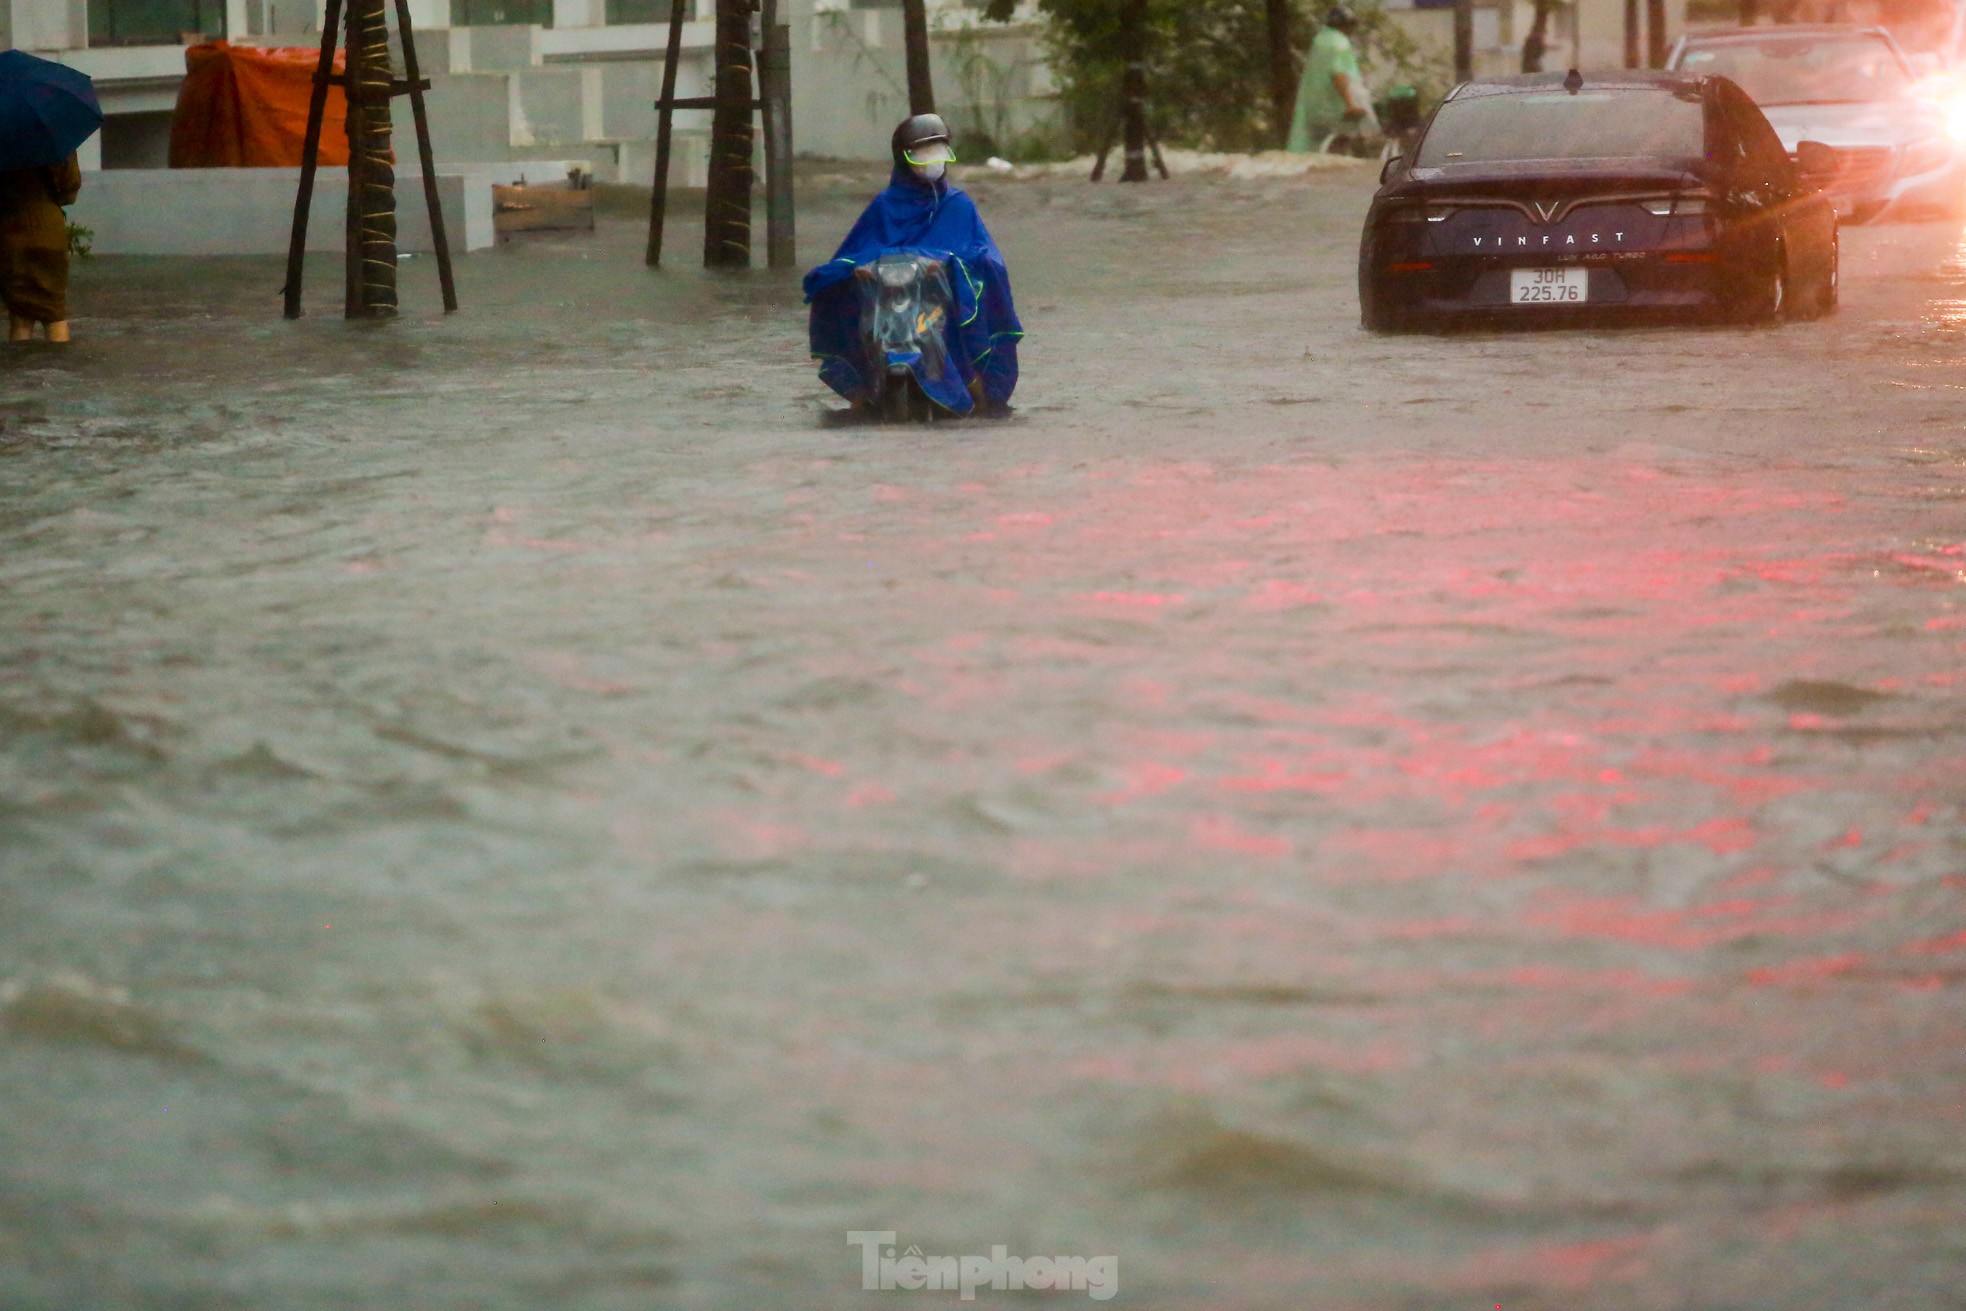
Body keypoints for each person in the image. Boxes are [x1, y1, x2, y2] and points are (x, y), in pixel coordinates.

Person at [804, 114, 1021, 416]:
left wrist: (954, 266)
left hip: (941, 304)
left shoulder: (958, 204)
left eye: (938, 151)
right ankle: (861, 394)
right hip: (890, 305)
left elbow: (984, 256)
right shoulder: (884, 206)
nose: (933, 161)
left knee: (967, 352)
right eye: (922, 154)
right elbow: (854, 251)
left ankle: (979, 399)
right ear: (905, 159)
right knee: (841, 298)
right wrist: (854, 269)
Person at [0, 153, 82, 344]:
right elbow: (70, 188)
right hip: (48, 231)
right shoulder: (53, 138)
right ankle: (59, 369)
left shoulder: (5, 139)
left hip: (11, 234)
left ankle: (21, 370)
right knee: (54, 314)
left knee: (20, 317)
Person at [1287, 6, 1378, 154]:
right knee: (1360, 137)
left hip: (1313, 111)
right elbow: (1338, 74)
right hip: (1336, 111)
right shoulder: (1340, 43)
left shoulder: (1320, 40)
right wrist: (1350, 104)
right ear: (1347, 25)